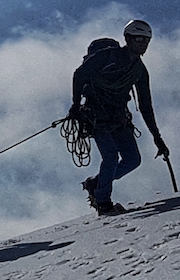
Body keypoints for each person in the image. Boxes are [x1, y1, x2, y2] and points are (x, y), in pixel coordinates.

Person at [70, 18, 170, 215]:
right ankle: (103, 203)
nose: (143, 43)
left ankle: (97, 184)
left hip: (118, 117)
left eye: (146, 40)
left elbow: (145, 105)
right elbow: (80, 74)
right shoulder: (106, 56)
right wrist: (75, 104)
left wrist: (157, 137)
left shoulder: (140, 71)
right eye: (139, 39)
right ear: (128, 38)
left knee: (133, 159)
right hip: (95, 115)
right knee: (110, 156)